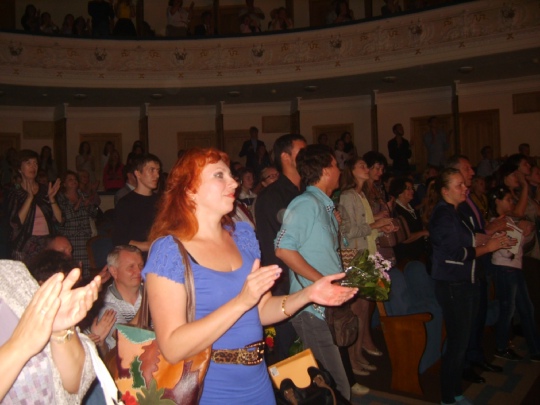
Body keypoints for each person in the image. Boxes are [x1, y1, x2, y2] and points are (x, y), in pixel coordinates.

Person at [142, 147, 356, 404]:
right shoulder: (169, 250)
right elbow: (172, 347)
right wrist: (241, 302)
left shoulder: (242, 236)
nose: (233, 182)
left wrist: (309, 294)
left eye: (230, 175)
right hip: (209, 387)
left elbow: (262, 309)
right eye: (219, 175)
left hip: (258, 382)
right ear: (190, 190)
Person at [275, 144, 362, 400]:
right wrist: (322, 283)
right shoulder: (305, 204)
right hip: (312, 310)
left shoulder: (323, 206)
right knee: (336, 387)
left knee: (329, 383)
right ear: (325, 170)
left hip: (325, 307)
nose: (340, 170)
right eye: (335, 165)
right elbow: (283, 249)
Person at [429, 168, 512, 405]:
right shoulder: (443, 216)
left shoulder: (457, 212)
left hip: (466, 282)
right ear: (445, 191)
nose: (465, 188)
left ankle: (455, 392)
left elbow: (469, 239)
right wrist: (488, 248)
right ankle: (448, 398)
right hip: (453, 284)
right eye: (459, 185)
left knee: (462, 342)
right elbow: (455, 254)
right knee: (457, 343)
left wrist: (490, 239)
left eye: (464, 184)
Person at [0, 260, 101, 403]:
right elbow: (25, 340)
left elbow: (75, 385)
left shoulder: (12, 273)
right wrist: (19, 346)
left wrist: (60, 331)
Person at [447, 155, 507, 383]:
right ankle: (465, 365)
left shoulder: (469, 198)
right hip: (466, 268)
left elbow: (476, 230)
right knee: (468, 320)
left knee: (479, 315)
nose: (472, 172)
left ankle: (476, 356)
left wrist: (489, 231)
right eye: (466, 169)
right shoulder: (454, 205)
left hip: (478, 263)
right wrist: (489, 233)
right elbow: (463, 238)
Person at [339, 157, 394, 380]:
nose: (366, 168)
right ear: (351, 171)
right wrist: (375, 224)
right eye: (361, 166)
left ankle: (359, 353)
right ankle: (352, 359)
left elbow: (366, 229)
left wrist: (382, 227)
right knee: (355, 312)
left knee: (363, 310)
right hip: (356, 257)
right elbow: (349, 231)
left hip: (368, 254)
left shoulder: (361, 195)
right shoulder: (347, 195)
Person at [255, 134, 307, 361]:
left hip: (307, 280)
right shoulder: (271, 196)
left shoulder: (306, 191)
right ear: (286, 157)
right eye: (301, 151)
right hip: (286, 284)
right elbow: (276, 247)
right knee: (288, 355)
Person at [487, 186, 540, 362]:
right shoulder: (496, 223)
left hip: (514, 268)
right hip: (505, 269)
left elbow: (518, 247)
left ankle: (535, 349)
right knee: (507, 309)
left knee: (526, 308)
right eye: (508, 200)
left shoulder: (509, 220)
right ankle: (501, 347)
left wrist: (525, 230)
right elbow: (506, 249)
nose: (512, 203)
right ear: (497, 201)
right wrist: (522, 231)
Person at [7, 150, 62, 261]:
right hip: (26, 244)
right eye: (28, 163)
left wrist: (52, 199)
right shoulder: (15, 192)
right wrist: (29, 198)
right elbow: (15, 223)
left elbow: (60, 220)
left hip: (47, 242)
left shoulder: (45, 189)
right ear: (19, 168)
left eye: (35, 163)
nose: (33, 167)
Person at [99, 245, 143, 353]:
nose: (139, 271)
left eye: (141, 266)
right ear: (114, 271)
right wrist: (149, 302)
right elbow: (125, 336)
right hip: (125, 360)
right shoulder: (105, 303)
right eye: (131, 267)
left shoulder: (153, 291)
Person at [112, 154, 161, 252]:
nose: (157, 175)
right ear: (138, 174)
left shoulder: (161, 201)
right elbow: (119, 240)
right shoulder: (125, 203)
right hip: (136, 256)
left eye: (158, 171)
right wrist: (150, 246)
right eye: (152, 170)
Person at [56, 171, 99, 277]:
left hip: (85, 237)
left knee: (86, 268)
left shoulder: (83, 195)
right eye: (70, 179)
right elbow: (65, 217)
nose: (74, 181)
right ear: (64, 184)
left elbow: (94, 214)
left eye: (75, 179)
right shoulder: (60, 198)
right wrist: (78, 203)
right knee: (71, 267)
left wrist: (89, 206)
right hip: (71, 237)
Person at [389, 177, 429, 265]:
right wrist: (423, 233)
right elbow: (403, 238)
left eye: (412, 188)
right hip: (406, 258)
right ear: (399, 192)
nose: (412, 191)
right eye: (408, 189)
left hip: (416, 254)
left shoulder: (411, 207)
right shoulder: (396, 211)